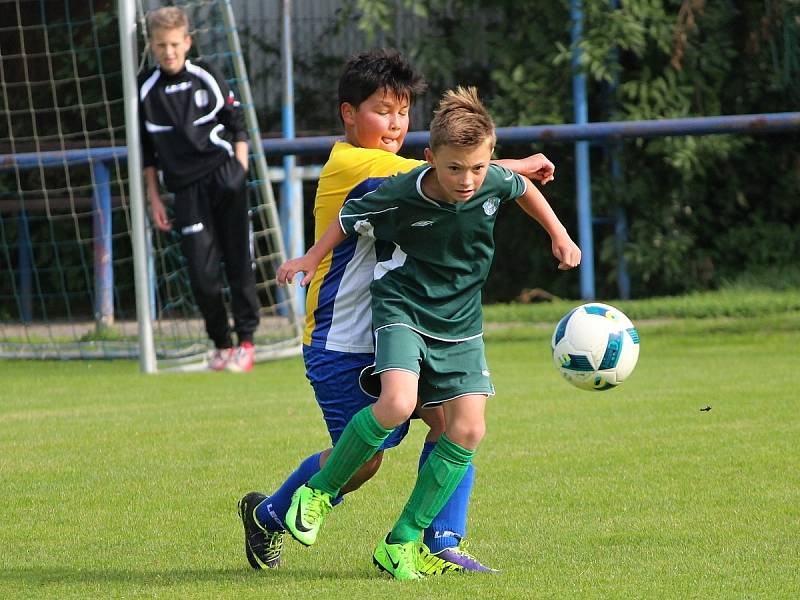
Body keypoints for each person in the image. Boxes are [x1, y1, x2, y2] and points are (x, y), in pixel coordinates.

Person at [238, 50, 556, 574]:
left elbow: (457, 169)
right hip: (342, 339)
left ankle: (438, 541)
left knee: (457, 421)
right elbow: (443, 169)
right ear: (348, 114)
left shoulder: (421, 167)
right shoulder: (354, 163)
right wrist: (518, 166)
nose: (394, 124)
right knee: (365, 461)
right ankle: (270, 514)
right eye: (382, 111)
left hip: (402, 325)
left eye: (403, 112)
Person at [138, 6, 259, 372]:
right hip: (186, 191)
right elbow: (146, 151)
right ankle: (221, 344)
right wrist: (153, 197)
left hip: (224, 177)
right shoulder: (145, 89)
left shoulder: (206, 74)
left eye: (174, 44)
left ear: (187, 42)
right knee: (202, 275)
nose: (169, 51)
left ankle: (247, 343)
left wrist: (239, 169)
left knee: (239, 261)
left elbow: (236, 123)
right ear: (151, 46)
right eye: (161, 45)